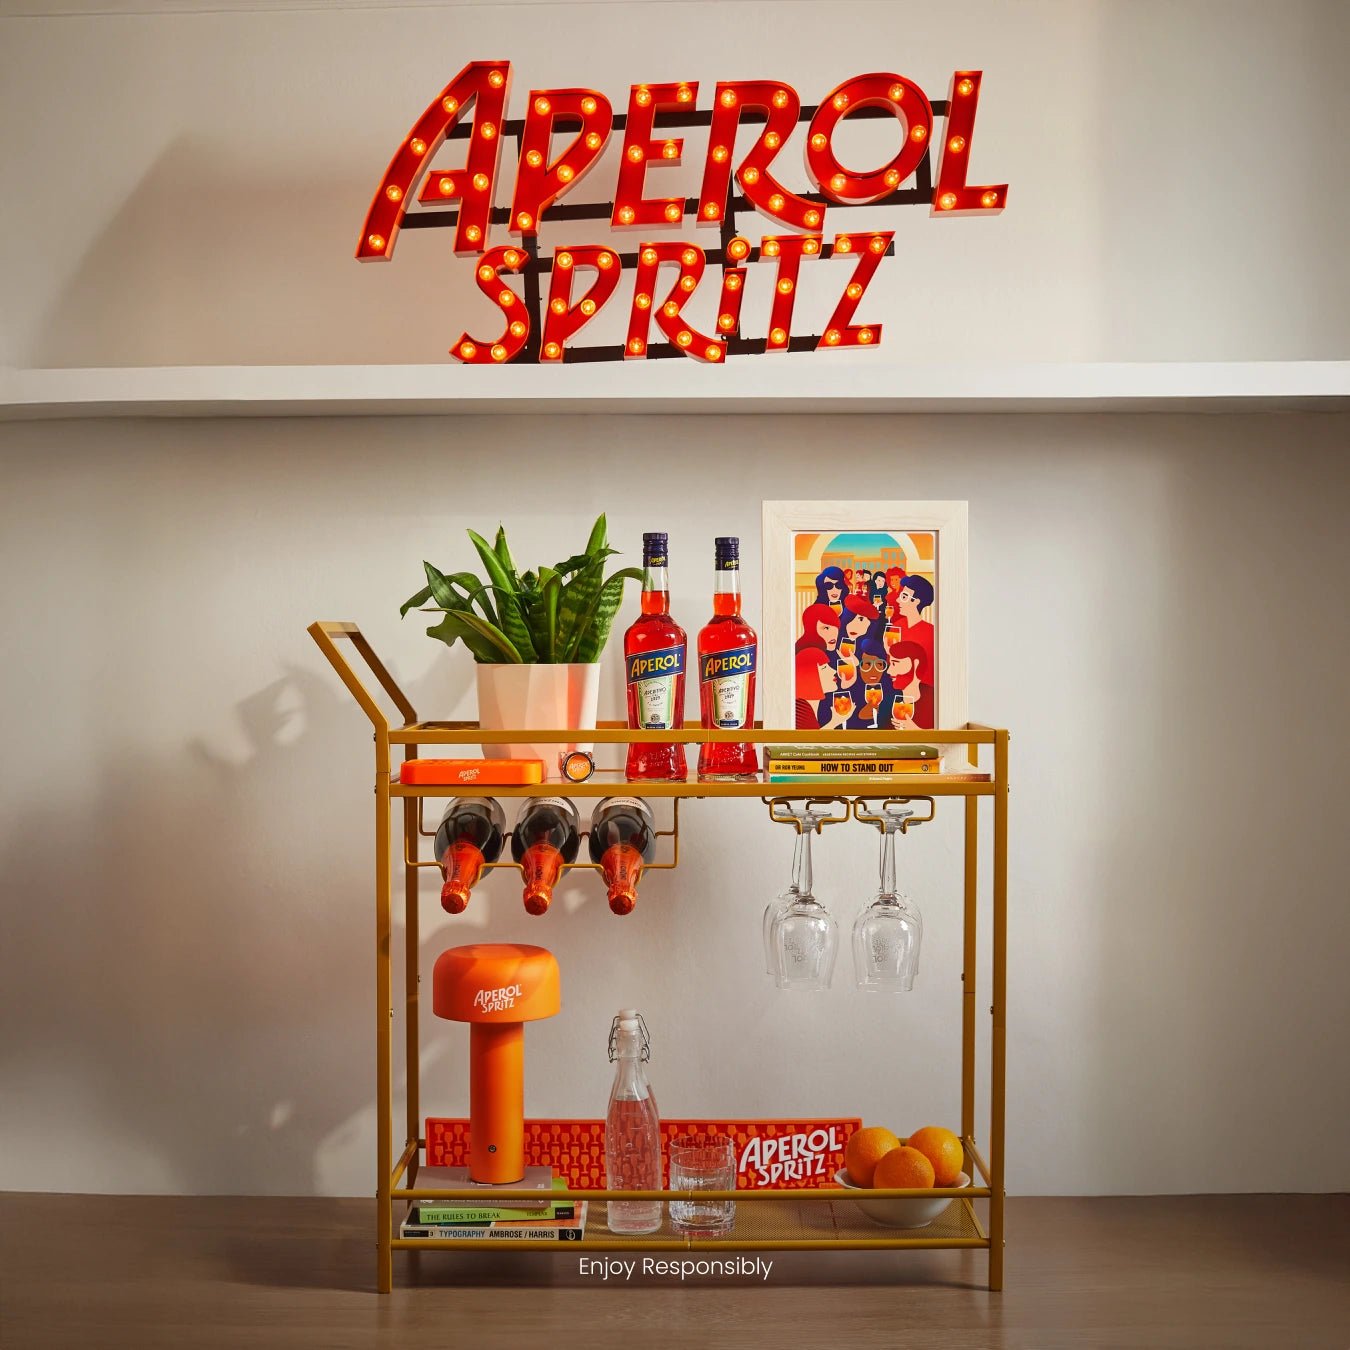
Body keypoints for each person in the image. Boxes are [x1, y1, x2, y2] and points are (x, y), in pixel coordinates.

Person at [886, 638, 933, 730]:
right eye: (890, 664)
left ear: (916, 664)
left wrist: (917, 732)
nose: (889, 671)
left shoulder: (934, 698)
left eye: (895, 664)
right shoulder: (888, 701)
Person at [893, 575, 934, 677]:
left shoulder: (930, 632)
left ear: (916, 601)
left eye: (904, 597)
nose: (898, 600)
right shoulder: (896, 627)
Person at [794, 645, 843, 729]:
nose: (834, 671)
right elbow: (809, 740)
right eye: (824, 667)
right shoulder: (801, 710)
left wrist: (835, 721)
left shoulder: (805, 706)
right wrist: (834, 722)